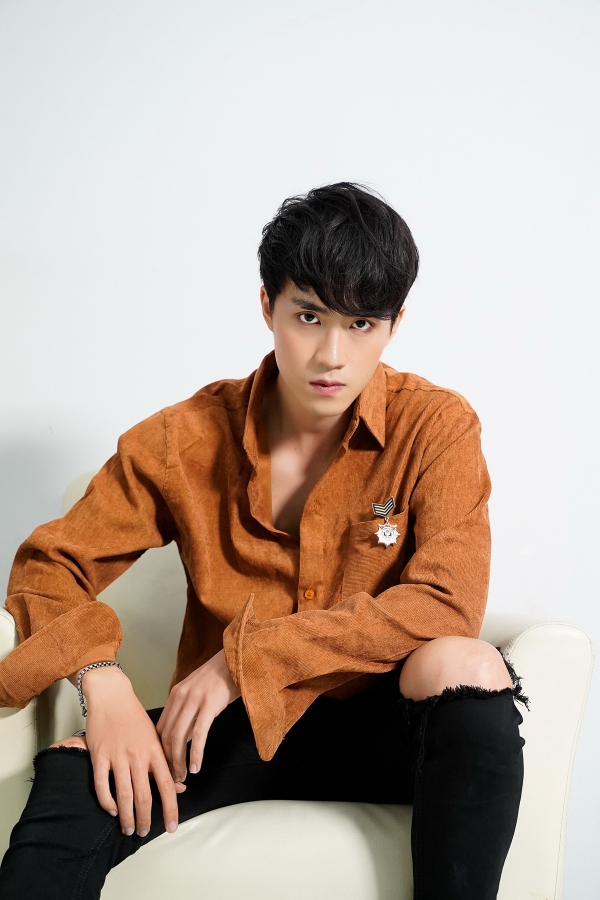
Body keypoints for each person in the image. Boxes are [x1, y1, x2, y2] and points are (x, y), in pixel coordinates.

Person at [0, 182, 527, 899]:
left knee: (467, 665)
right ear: (267, 307)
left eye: (362, 324)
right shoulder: (184, 439)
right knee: (75, 772)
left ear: (395, 324)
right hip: (234, 731)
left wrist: (243, 660)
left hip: (390, 732)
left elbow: (446, 604)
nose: (332, 354)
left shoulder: (436, 426)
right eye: (309, 316)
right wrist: (104, 684)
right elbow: (47, 566)